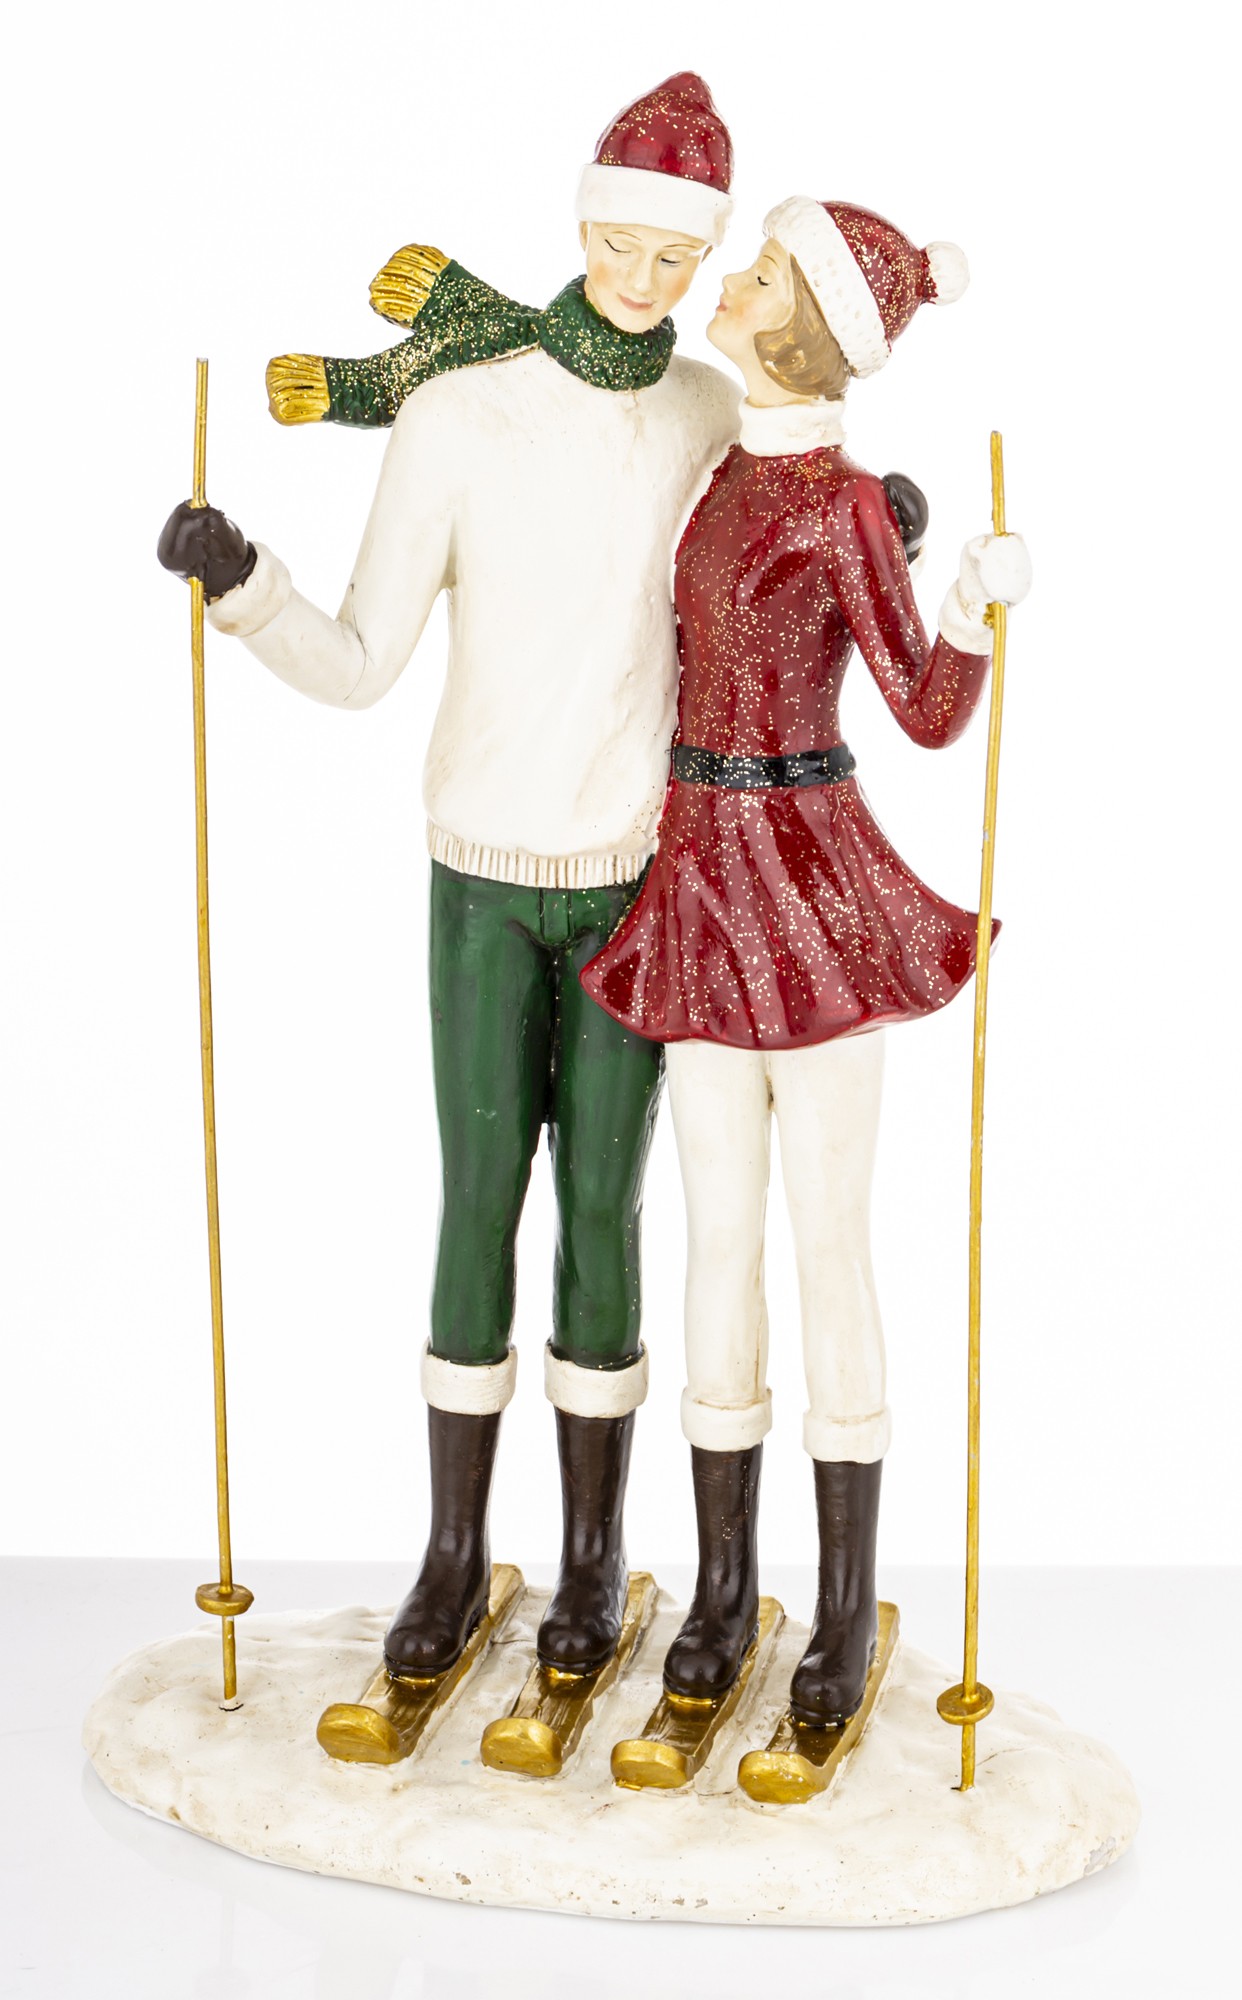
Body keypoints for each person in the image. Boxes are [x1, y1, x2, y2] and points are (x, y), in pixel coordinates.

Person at [157, 74, 739, 1681]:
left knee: (606, 1210)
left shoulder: (703, 410)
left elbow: (777, 544)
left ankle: (593, 1558)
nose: (642, 277)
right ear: (579, 224)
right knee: (479, 1198)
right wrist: (244, 586)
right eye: (621, 243)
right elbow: (360, 659)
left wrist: (881, 539)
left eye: (674, 257)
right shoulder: (461, 414)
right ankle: (448, 1551)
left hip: (634, 879)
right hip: (482, 876)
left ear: (700, 261)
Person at [582, 198, 1032, 1723]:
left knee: (825, 1239)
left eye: (759, 270)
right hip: (701, 879)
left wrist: (966, 607)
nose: (729, 278)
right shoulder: (719, 471)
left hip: (810, 886)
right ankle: (722, 1588)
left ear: (809, 324)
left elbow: (924, 709)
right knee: (713, 1238)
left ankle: (841, 1607)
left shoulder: (838, 504)